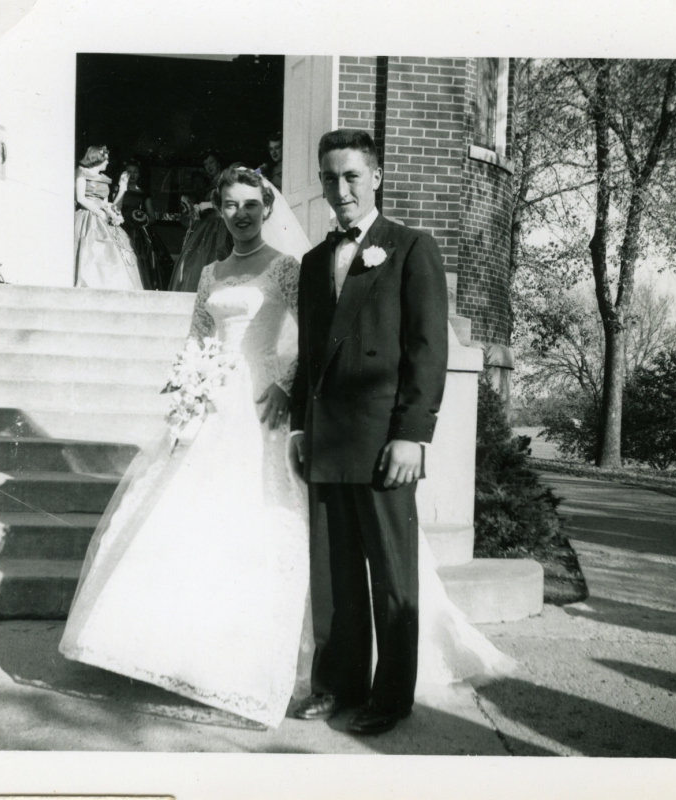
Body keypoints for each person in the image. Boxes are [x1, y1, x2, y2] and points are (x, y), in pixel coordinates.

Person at [60, 164, 515, 730]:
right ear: (218, 210)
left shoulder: (288, 268)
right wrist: (189, 385)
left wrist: (283, 383)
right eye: (231, 205)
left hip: (264, 408)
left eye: (251, 205)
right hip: (213, 404)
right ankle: (181, 652)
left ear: (268, 209)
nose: (242, 215)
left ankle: (333, 676)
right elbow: (198, 336)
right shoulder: (210, 273)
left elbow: (316, 339)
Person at [290, 129, 451, 735]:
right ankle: (336, 685)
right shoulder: (314, 262)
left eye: (352, 175)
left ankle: (390, 699)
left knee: (391, 576)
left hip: (385, 443)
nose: (341, 189)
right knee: (332, 577)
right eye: (330, 178)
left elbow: (428, 350)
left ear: (376, 177)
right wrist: (300, 430)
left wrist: (413, 434)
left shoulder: (410, 249)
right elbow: (310, 356)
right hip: (327, 440)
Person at [74, 145, 143, 290]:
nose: (107, 162)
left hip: (102, 216)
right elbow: (80, 198)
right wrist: (99, 212)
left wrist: (112, 210)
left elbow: (106, 203)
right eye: (106, 159)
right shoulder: (82, 173)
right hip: (87, 215)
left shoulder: (104, 179)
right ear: (97, 158)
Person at [168, 150, 233, 292]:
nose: (209, 166)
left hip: (221, 224)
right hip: (209, 224)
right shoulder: (211, 183)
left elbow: (229, 200)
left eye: (211, 162)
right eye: (206, 164)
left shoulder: (225, 178)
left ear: (218, 162)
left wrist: (207, 205)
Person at [117, 159, 174, 291]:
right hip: (122, 228)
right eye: (129, 172)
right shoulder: (120, 190)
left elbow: (152, 217)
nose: (132, 175)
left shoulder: (143, 193)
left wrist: (141, 220)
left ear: (139, 174)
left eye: (135, 172)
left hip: (139, 232)